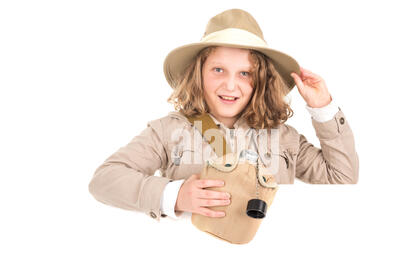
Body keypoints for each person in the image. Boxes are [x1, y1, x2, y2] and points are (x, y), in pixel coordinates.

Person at [88, 8, 359, 222]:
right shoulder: (167, 132)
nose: (230, 85)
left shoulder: (284, 138)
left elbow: (342, 178)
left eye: (245, 73)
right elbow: (104, 180)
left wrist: (323, 108)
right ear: (198, 74)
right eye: (218, 70)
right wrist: (174, 195)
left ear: (261, 80)